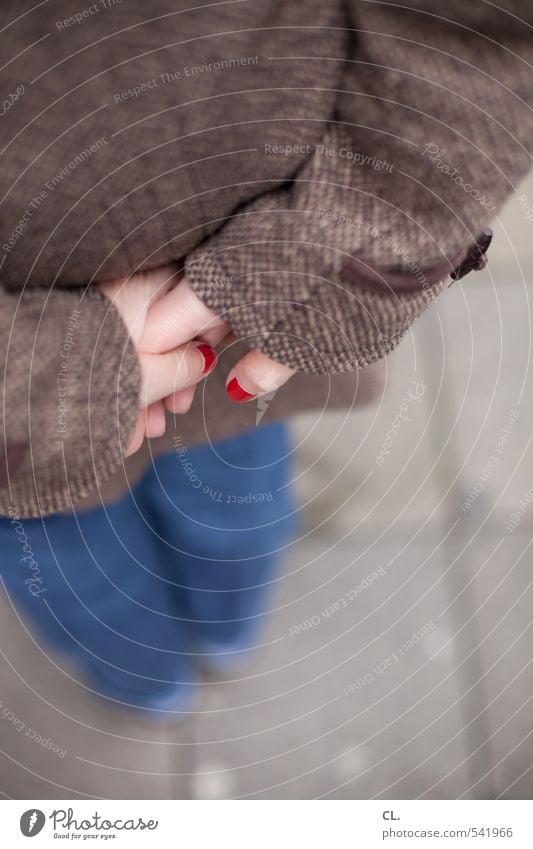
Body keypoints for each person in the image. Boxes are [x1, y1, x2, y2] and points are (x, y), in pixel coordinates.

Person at [0, 0, 532, 717]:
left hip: (240, 302)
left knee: (180, 516)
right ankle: (166, 668)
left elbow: (483, 31)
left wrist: (350, 233)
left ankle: (177, 661)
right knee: (90, 549)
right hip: (153, 349)